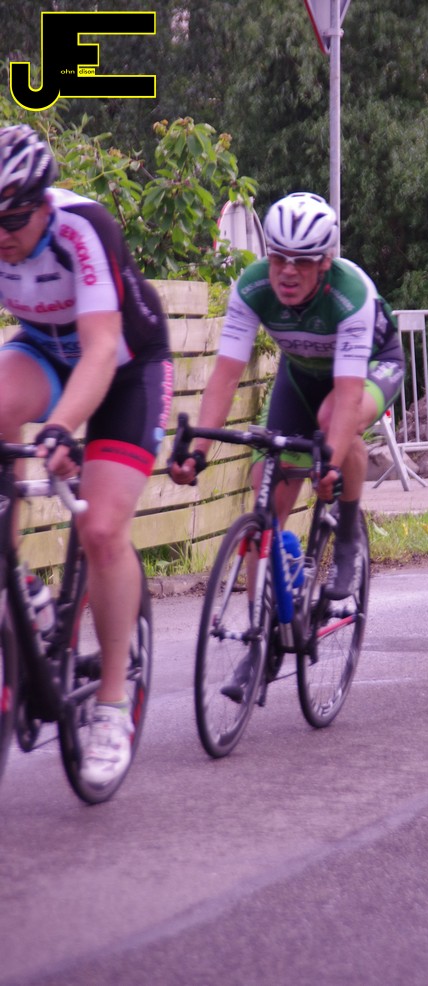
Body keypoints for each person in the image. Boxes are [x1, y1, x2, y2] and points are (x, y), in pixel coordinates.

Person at [170, 191, 404, 699]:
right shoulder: (252, 286)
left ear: (325, 262)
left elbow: (346, 395)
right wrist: (199, 452)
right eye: (279, 258)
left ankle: (347, 535)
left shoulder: (350, 294)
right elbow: (224, 378)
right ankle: (264, 640)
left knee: (334, 425)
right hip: (300, 378)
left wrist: (330, 462)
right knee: (265, 500)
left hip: (370, 368)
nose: (288, 272)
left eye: (302, 261)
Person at [0, 124, 173, 788]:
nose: (3, 234)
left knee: (100, 529)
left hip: (126, 368)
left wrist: (62, 427)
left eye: (13, 218)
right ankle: (18, 580)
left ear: (43, 203)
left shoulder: (84, 228)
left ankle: (111, 705)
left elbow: (100, 347)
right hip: (44, 351)